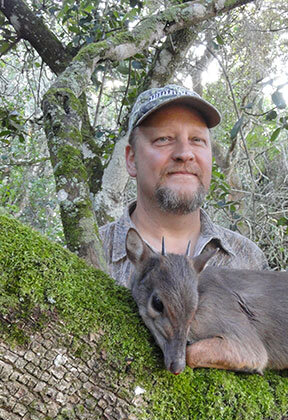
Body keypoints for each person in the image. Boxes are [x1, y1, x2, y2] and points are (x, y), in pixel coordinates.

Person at [99, 84, 268, 287]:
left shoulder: (249, 260)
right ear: (131, 160)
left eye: (197, 140)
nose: (185, 153)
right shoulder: (89, 255)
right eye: (164, 139)